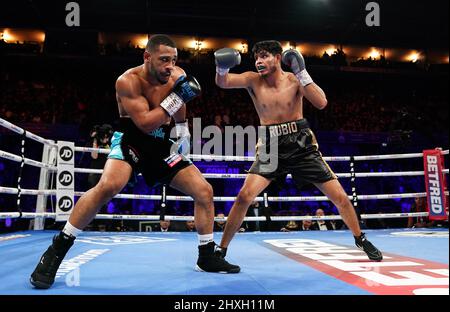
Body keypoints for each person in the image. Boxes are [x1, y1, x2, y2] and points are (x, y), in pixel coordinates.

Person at [30, 35, 239, 289]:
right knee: (108, 186)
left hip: (161, 144)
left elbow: (180, 101)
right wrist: (177, 98)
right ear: (147, 57)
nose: (169, 66)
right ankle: (57, 249)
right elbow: (145, 122)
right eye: (163, 60)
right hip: (132, 141)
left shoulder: (176, 74)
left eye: (173, 60)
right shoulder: (127, 81)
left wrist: (183, 127)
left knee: (204, 191)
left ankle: (207, 256)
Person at [214, 41, 383, 266]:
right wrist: (221, 67)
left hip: (300, 143)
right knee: (245, 196)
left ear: (278, 57)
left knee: (339, 196)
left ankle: (360, 239)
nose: (258, 61)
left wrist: (302, 72)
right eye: (256, 58)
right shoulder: (252, 80)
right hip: (270, 145)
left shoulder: (295, 80)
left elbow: (321, 102)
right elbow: (223, 82)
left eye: (264, 56)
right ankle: (221, 250)